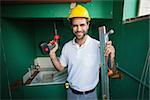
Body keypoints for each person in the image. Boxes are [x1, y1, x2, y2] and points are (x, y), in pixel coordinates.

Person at [49, 5, 115, 100]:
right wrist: (52, 55)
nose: (79, 29)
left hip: (91, 95)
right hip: (71, 94)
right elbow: (60, 68)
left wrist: (112, 56)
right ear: (71, 26)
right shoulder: (67, 47)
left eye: (82, 25)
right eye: (75, 25)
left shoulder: (98, 46)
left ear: (88, 25)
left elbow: (111, 70)